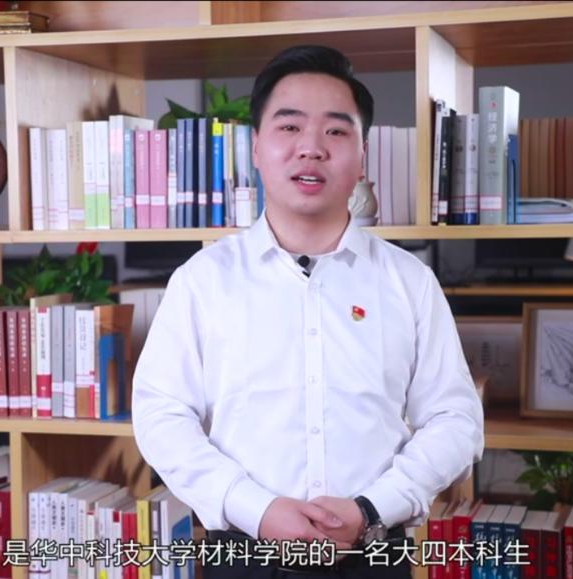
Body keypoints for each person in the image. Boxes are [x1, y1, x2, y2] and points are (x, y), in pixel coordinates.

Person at [132, 45, 484, 578]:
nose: (311, 148)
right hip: (244, 555)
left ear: (362, 155)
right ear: (256, 147)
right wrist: (257, 509)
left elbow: (455, 420)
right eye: (290, 127)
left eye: (336, 131)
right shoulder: (203, 281)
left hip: (374, 554)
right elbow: (161, 415)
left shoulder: (409, 282)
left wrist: (370, 510)